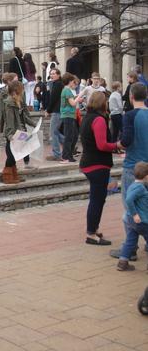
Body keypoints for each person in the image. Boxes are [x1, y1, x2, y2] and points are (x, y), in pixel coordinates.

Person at [110, 84, 148, 261]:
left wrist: (116, 145)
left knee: (130, 208)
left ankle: (130, 249)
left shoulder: (130, 116)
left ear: (131, 97)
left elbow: (126, 140)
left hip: (134, 167)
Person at [79, 91, 119, 246]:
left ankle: (94, 228)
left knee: (97, 199)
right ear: (103, 103)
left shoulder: (87, 117)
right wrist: (117, 145)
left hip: (89, 162)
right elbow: (102, 144)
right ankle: (91, 233)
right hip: (97, 164)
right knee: (97, 200)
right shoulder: (99, 120)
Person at [1, 80, 37, 184]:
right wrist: (10, 135)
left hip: (19, 132)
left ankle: (13, 175)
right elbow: (9, 120)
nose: (23, 91)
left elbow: (23, 117)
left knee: (14, 155)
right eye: (21, 89)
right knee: (11, 155)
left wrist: (34, 124)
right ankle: (7, 176)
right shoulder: (9, 103)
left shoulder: (18, 101)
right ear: (16, 90)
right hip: (13, 133)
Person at [116, 161, 148, 271]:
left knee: (130, 241)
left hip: (131, 222)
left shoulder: (132, 185)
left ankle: (122, 263)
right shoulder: (140, 188)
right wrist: (135, 214)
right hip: (142, 221)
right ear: (146, 176)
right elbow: (129, 200)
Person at [59, 73, 82, 163]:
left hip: (70, 115)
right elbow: (72, 103)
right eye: (73, 81)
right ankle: (65, 157)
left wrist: (76, 98)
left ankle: (69, 155)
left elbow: (71, 101)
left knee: (73, 136)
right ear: (70, 81)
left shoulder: (67, 90)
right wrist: (79, 97)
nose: (74, 83)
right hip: (67, 115)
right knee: (69, 137)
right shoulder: (67, 90)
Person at [45, 68, 64, 161]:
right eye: (51, 74)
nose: (52, 75)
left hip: (57, 111)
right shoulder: (58, 84)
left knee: (53, 132)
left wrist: (48, 110)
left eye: (53, 74)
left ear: (58, 75)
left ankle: (56, 154)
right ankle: (69, 146)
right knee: (55, 132)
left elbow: (53, 99)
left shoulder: (57, 84)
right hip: (59, 110)